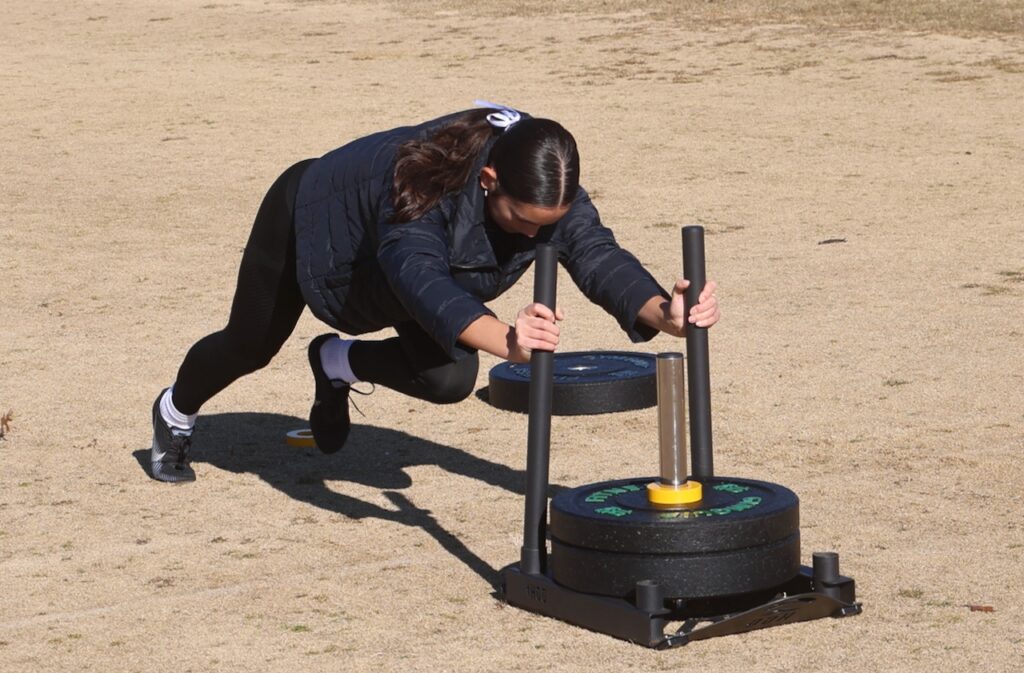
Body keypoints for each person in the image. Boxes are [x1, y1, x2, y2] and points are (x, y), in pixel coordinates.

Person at [150, 104, 720, 483]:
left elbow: (596, 254)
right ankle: (174, 414)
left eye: (548, 222)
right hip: (317, 223)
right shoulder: (420, 180)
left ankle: (335, 362)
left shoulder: (545, 181)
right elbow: (417, 277)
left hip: (414, 266)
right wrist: (509, 341)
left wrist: (662, 312)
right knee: (249, 345)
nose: (535, 234)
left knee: (447, 379)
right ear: (489, 180)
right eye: (523, 221)